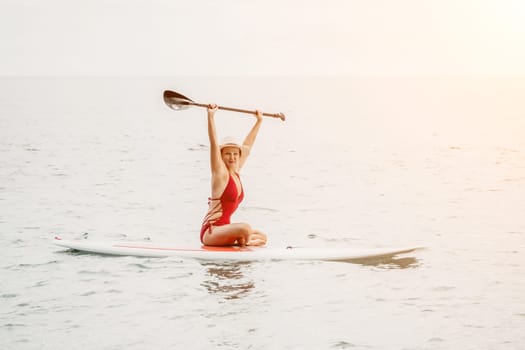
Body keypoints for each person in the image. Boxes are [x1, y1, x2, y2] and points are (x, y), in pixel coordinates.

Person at [199, 103, 268, 247]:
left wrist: (259, 121)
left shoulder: (235, 171)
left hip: (224, 230)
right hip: (211, 232)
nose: (232, 157)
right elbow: (213, 143)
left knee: (262, 237)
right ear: (221, 155)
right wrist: (210, 116)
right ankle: (243, 242)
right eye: (228, 154)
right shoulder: (220, 174)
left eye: (235, 154)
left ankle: (242, 242)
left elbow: (248, 146)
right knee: (245, 228)